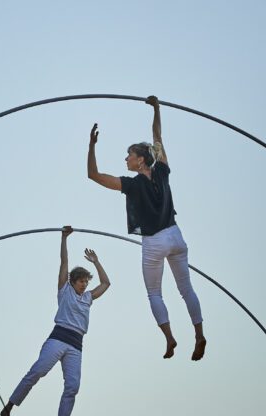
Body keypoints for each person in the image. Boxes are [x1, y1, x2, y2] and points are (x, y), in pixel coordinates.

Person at [87, 96, 205, 361]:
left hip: (154, 242)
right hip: (176, 235)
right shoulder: (162, 170)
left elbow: (93, 176)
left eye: (129, 154)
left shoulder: (132, 184)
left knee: (154, 293)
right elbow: (158, 136)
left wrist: (91, 145)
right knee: (186, 289)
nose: (125, 158)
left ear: (141, 160)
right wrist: (156, 108)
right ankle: (199, 334)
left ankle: (170, 338)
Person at [0, 227, 110, 416]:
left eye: (86, 281)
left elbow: (106, 283)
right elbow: (64, 263)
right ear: (73, 282)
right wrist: (64, 239)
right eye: (81, 281)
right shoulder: (65, 290)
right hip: (59, 338)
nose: (85, 284)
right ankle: (11, 404)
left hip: (76, 345)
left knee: (73, 385)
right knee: (38, 371)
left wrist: (96, 262)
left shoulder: (88, 298)